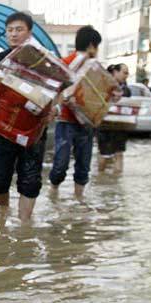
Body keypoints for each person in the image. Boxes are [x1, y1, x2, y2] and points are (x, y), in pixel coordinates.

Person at [0, 11, 48, 221]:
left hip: (32, 130)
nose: (14, 34)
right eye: (10, 30)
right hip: (2, 127)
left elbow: (56, 90)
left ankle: (25, 226)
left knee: (30, 180)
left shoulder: (42, 62)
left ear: (29, 33)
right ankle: (4, 210)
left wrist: (54, 108)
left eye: (19, 29)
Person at [49, 25, 105, 201]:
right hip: (68, 120)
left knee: (69, 161)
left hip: (83, 121)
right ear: (91, 45)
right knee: (77, 162)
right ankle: (67, 195)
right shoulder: (70, 63)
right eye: (96, 47)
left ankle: (61, 196)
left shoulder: (92, 65)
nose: (96, 51)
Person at [97, 63, 131, 174]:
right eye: (124, 72)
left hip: (121, 126)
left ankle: (116, 184)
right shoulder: (104, 86)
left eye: (127, 73)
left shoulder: (126, 90)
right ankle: (100, 180)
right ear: (115, 72)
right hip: (104, 126)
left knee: (119, 154)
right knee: (104, 155)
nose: (126, 75)